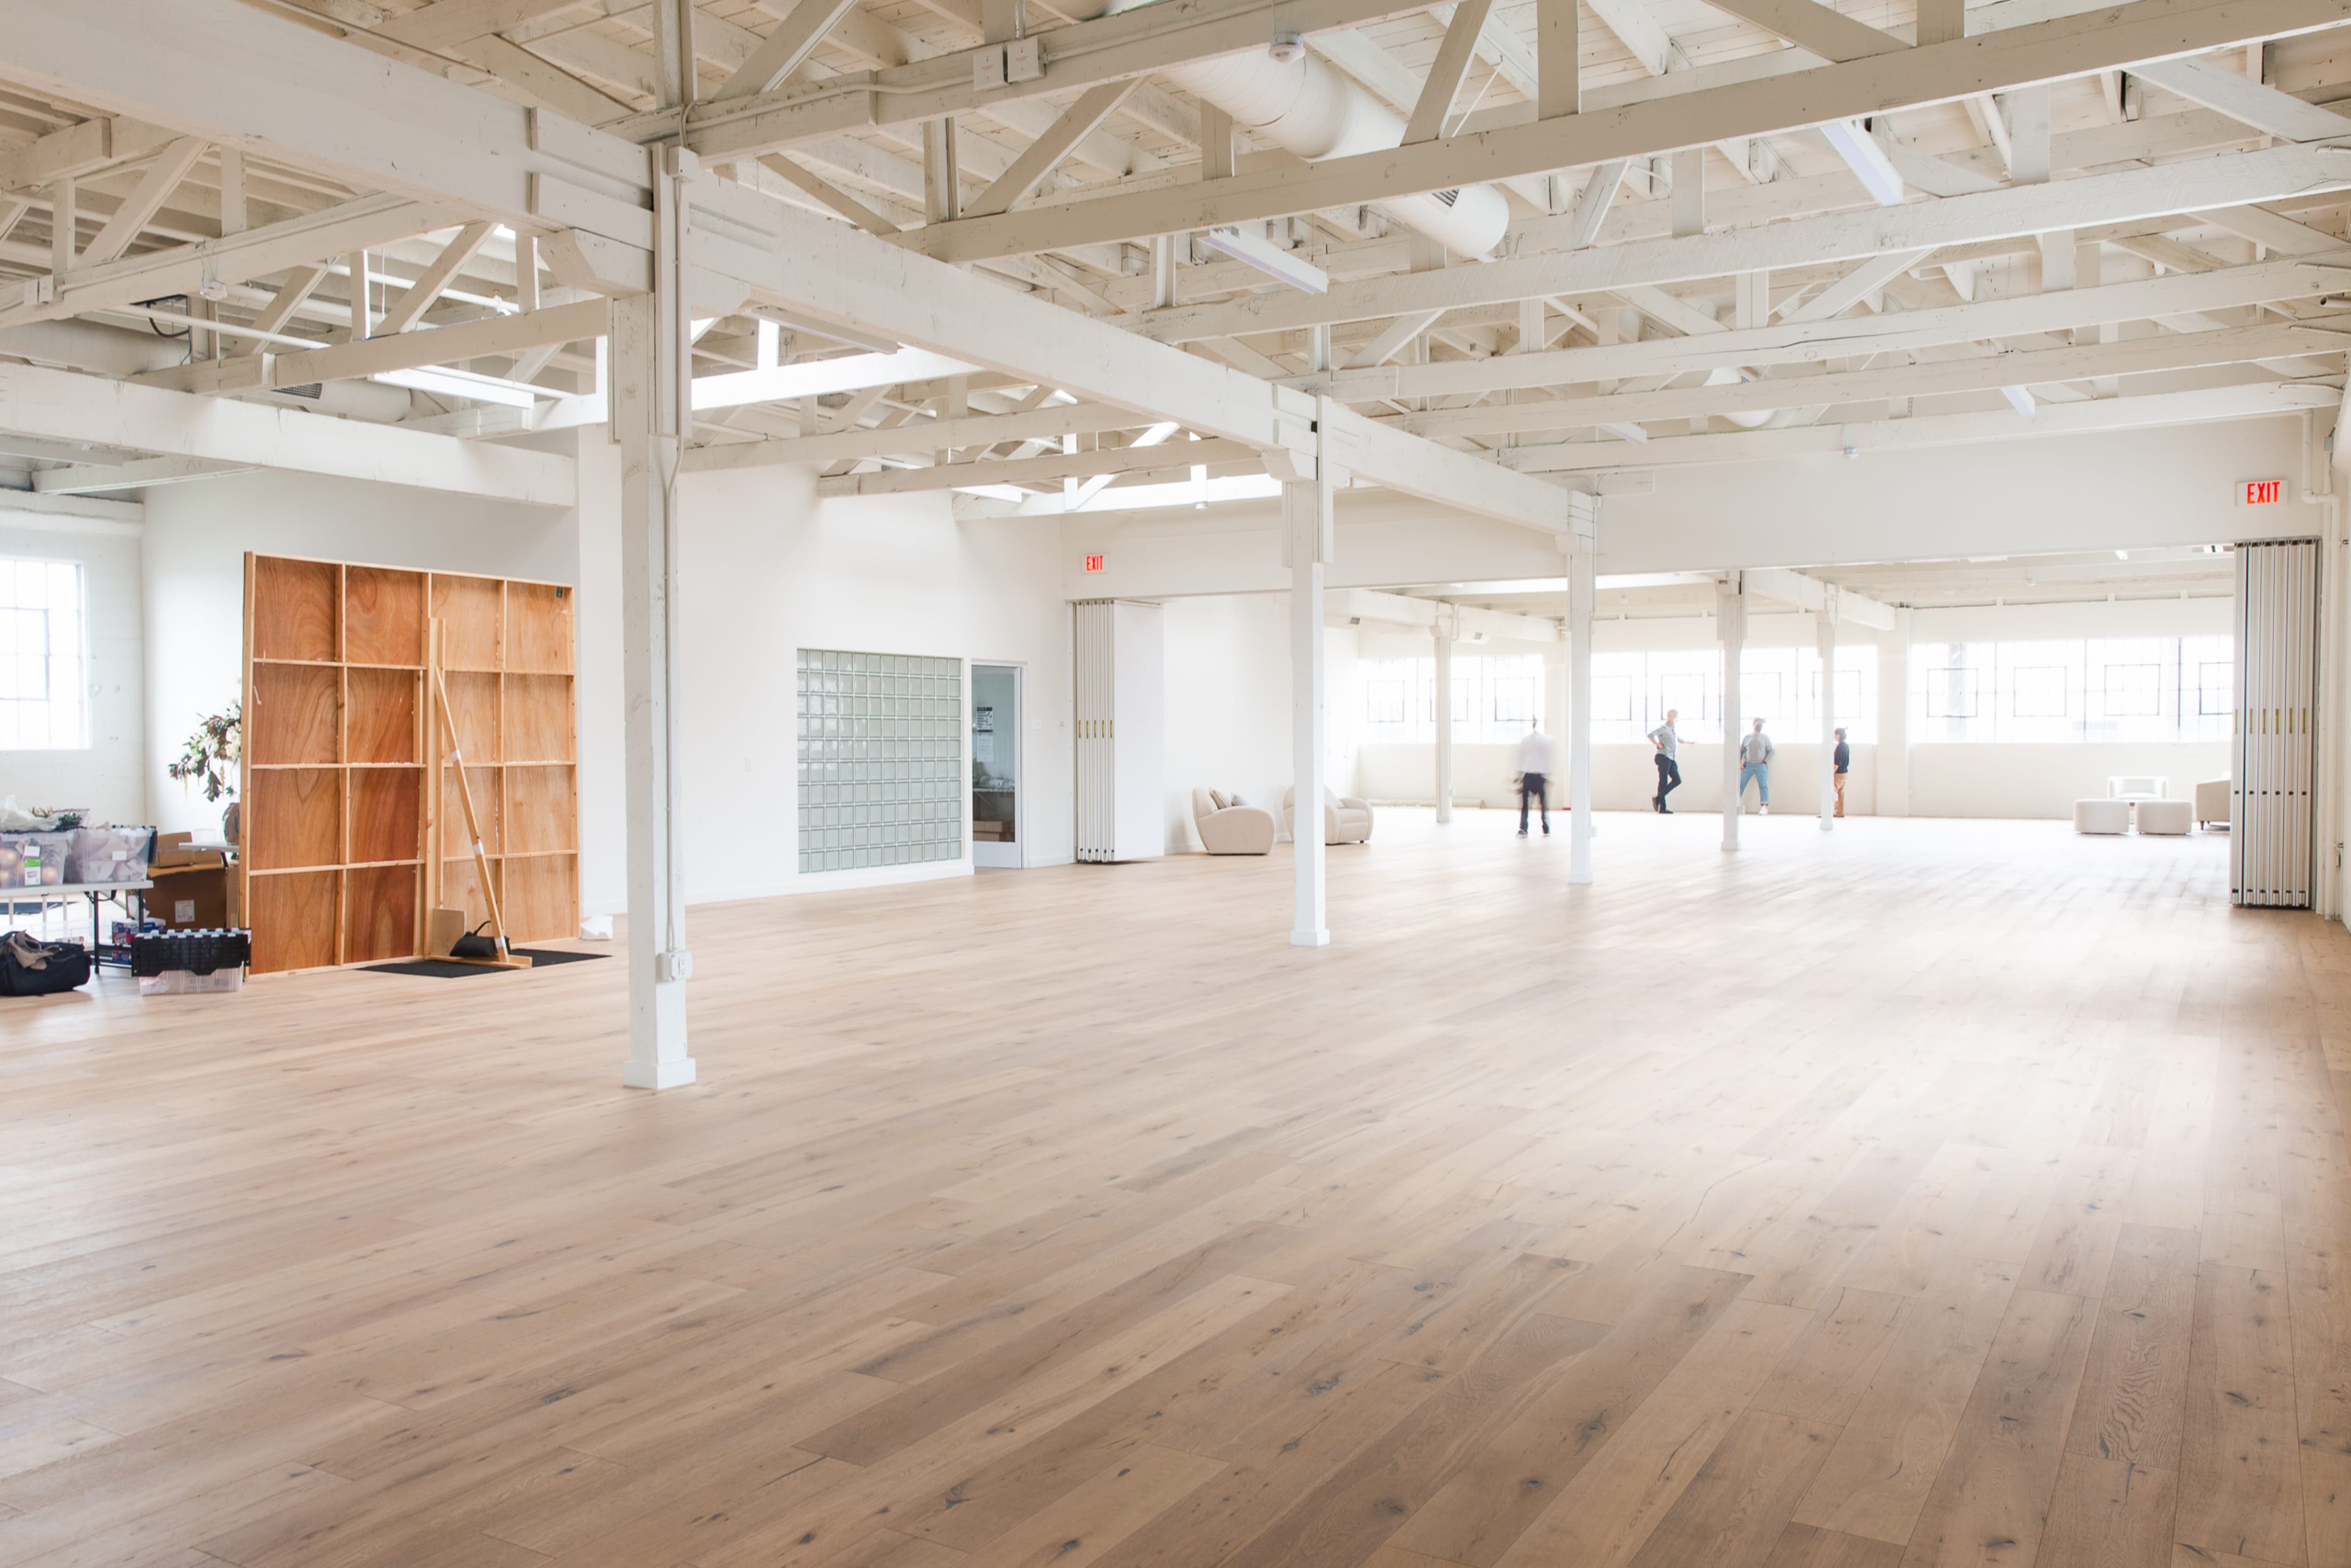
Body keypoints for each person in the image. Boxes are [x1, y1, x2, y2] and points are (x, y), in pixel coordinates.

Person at [1515, 718, 1553, 837]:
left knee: (1525, 805)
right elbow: (1548, 759)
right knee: (1543, 804)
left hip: (1529, 777)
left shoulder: (1526, 740)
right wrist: (1549, 776)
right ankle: (1546, 828)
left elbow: (1521, 758)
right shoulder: (1546, 741)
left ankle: (1524, 829)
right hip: (1540, 777)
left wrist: (1518, 777)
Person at [1647, 710, 1683, 812]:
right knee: (1663, 781)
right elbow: (1650, 735)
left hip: (1671, 758)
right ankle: (1662, 808)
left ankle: (1658, 798)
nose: (1677, 718)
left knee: (1677, 780)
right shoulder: (1664, 728)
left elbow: (1679, 740)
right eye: (1675, 716)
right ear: (1670, 716)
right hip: (1663, 757)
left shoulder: (1673, 730)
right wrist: (1658, 744)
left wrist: (1691, 742)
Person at [1738, 718, 1774, 814]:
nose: (1760, 726)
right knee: (1740, 784)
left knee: (1763, 785)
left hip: (1761, 766)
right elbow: (1741, 751)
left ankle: (1764, 806)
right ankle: (1735, 803)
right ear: (1753, 724)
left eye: (1761, 725)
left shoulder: (1765, 737)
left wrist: (1765, 762)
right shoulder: (1747, 737)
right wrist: (1740, 763)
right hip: (1747, 766)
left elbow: (1771, 750)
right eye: (1758, 724)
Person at [1832, 727, 1850, 818]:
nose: (1834, 736)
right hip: (1844, 773)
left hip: (1839, 774)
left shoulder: (1840, 747)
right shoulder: (1846, 745)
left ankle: (1826, 813)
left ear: (1838, 735)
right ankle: (1839, 812)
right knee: (1840, 793)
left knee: (1831, 792)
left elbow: (1837, 763)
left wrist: (1831, 773)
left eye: (1835, 734)